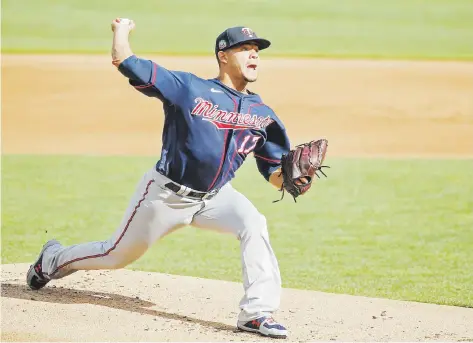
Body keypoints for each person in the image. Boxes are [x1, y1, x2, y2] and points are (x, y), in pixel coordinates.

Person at [26, 18, 310, 339]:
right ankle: (51, 259)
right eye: (244, 49)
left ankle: (256, 313)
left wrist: (294, 180)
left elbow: (274, 174)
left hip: (216, 197)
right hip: (165, 196)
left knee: (254, 223)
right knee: (115, 254)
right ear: (223, 56)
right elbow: (126, 62)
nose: (254, 55)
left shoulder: (263, 114)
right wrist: (121, 31)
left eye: (256, 50)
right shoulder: (190, 88)